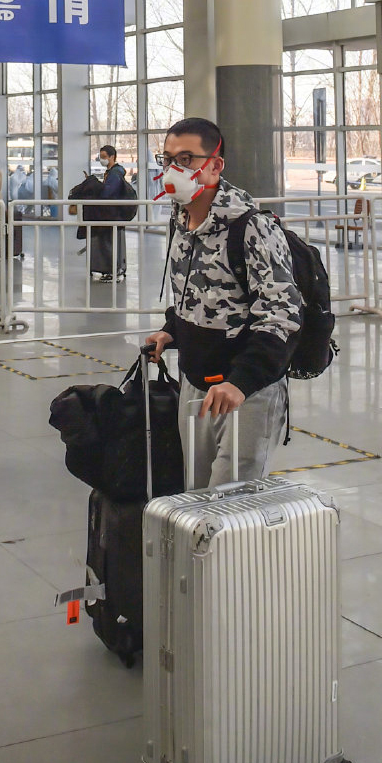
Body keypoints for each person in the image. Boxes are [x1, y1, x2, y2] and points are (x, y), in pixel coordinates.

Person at [144, 118, 302, 490]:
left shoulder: (252, 227)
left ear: (215, 165)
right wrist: (171, 330)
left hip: (245, 393)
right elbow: (196, 292)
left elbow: (282, 313)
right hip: (196, 384)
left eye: (186, 159)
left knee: (231, 504)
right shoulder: (181, 219)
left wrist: (242, 382)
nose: (173, 170)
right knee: (196, 495)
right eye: (167, 159)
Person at [91, 144, 128, 282]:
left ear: (112, 157)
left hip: (111, 214)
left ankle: (114, 270)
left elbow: (107, 193)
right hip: (112, 213)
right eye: (100, 157)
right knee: (111, 242)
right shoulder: (113, 172)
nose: (102, 159)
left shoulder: (115, 174)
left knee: (109, 243)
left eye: (104, 157)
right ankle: (114, 270)